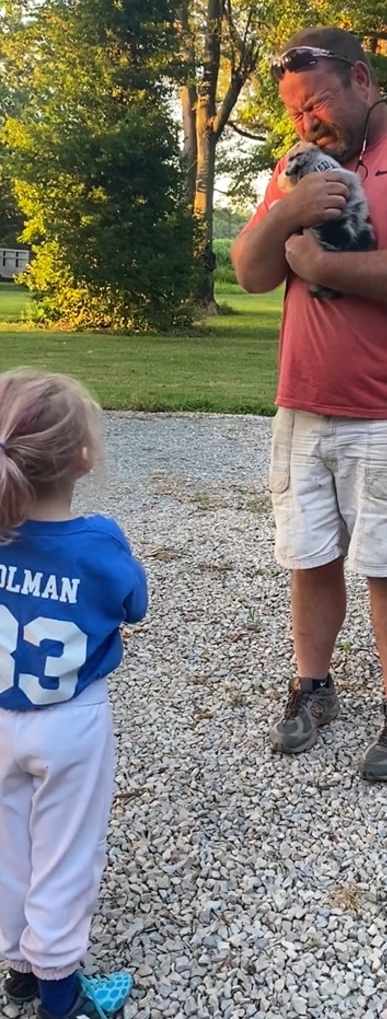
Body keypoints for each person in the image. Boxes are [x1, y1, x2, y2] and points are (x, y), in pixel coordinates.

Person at [231, 26, 387, 782]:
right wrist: (285, 212)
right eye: (296, 112)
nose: (308, 123)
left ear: (363, 81)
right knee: (308, 559)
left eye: (319, 104)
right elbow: (250, 272)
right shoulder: (297, 167)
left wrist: (321, 261)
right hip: (303, 402)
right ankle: (312, 688)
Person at [0, 369, 148, 1018]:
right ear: (81, 459)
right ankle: (62, 996)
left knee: (8, 847)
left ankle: (18, 967)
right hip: (69, 722)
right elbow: (134, 603)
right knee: (65, 855)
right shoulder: (97, 542)